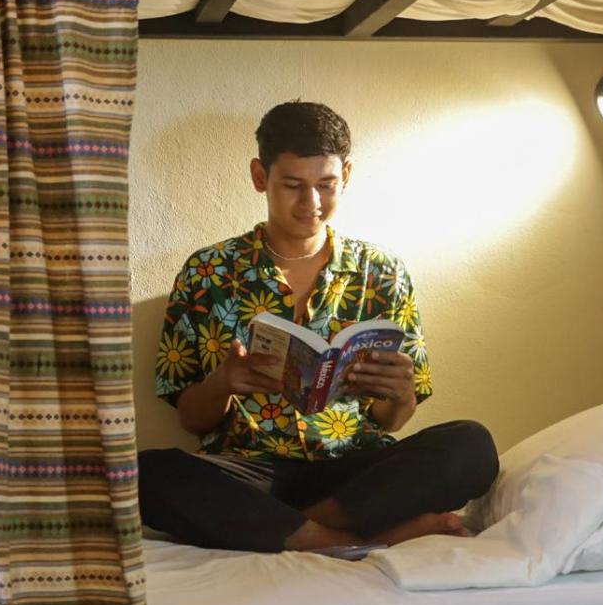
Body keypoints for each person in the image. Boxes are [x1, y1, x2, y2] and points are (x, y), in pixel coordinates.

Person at [139, 100, 498, 553]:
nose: (311, 203)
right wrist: (223, 383)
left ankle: (289, 530)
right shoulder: (208, 271)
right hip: (251, 472)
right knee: (143, 473)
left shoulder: (382, 273)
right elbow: (191, 420)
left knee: (471, 444)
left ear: (345, 175)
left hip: (352, 474)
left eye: (326, 185)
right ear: (259, 176)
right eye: (293, 185)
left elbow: (390, 421)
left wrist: (401, 394)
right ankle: (356, 539)